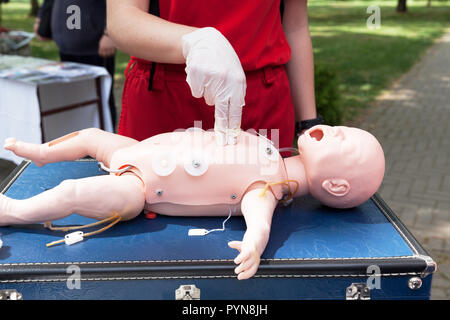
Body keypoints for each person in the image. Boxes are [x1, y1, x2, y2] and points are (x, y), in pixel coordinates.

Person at [2, 125, 385, 279]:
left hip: (140, 186)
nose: (334, 129)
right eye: (342, 129)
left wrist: (254, 245)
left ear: (336, 186)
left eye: (343, 140)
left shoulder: (267, 188)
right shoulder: (272, 152)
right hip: (139, 150)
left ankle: (13, 211)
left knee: (72, 191)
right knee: (91, 136)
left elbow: (259, 221)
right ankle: (41, 153)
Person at [106, 0, 322, 148]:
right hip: (166, 99)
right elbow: (122, 20)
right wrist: (197, 42)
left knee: (265, 203)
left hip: (262, 102)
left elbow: (295, 26)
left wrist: (308, 125)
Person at [34, 0, 117, 129]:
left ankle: (105, 142)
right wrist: (41, 19)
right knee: (72, 99)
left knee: (100, 99)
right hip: (66, 45)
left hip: (95, 47)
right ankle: (77, 142)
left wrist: (110, 32)